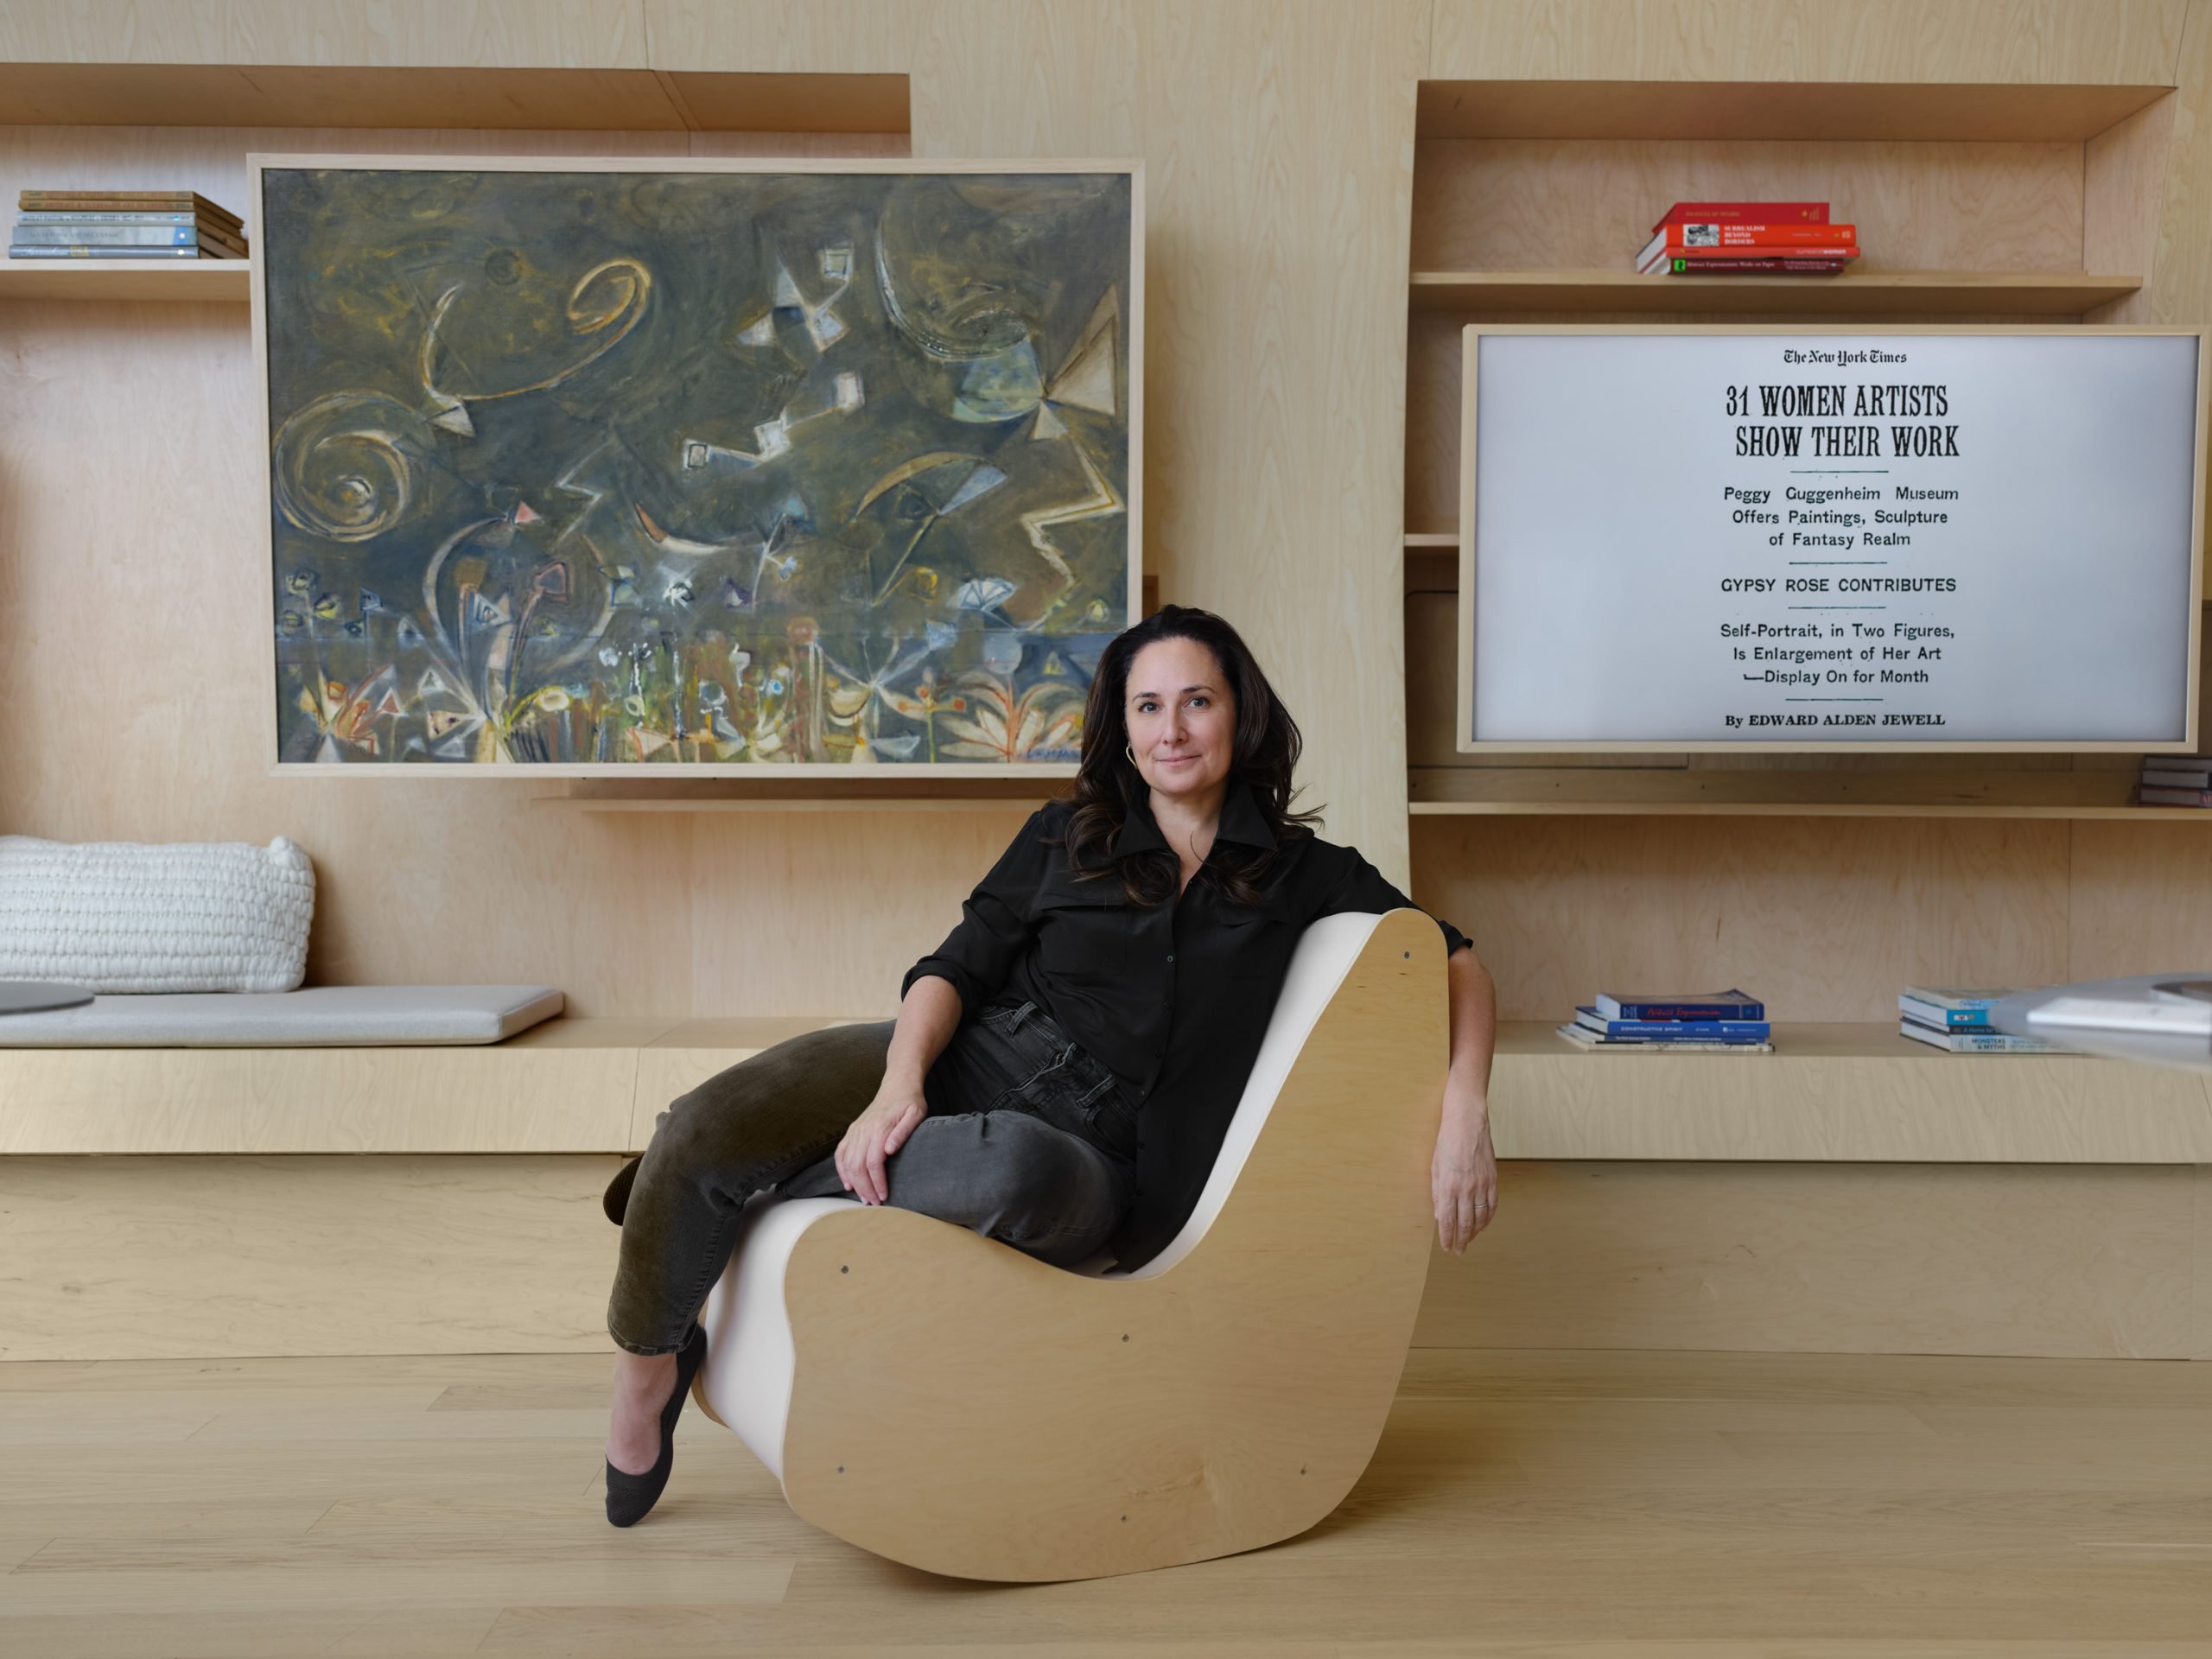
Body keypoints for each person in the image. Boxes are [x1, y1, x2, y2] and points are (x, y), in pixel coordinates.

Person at [599, 604, 1499, 1525]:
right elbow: (952, 968)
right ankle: (648, 1374)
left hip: (1097, 1161)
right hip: (972, 1058)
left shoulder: (1306, 872)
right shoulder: (1063, 835)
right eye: (1147, 707)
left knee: (1012, 1170)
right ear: (1123, 727)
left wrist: (1464, 1112)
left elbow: (1455, 961)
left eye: (1196, 701)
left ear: (1242, 714)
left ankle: (728, 1202)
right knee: (702, 1127)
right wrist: (899, 1085)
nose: (1172, 730)